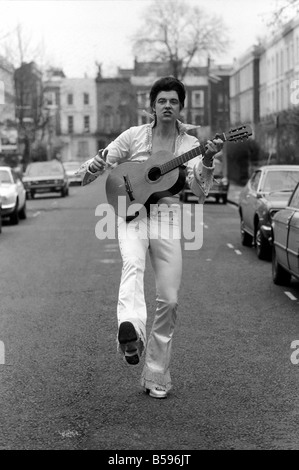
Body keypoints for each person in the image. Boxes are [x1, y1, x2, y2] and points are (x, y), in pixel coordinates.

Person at [77, 76, 222, 399]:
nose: (167, 106)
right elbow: (96, 168)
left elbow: (198, 192)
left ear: (180, 107)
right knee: (132, 265)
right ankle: (131, 331)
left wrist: (209, 160)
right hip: (132, 215)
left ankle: (156, 372)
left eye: (173, 101)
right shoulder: (134, 136)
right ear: (152, 107)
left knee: (169, 299)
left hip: (168, 219)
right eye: (162, 101)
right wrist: (95, 164)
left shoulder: (190, 146)